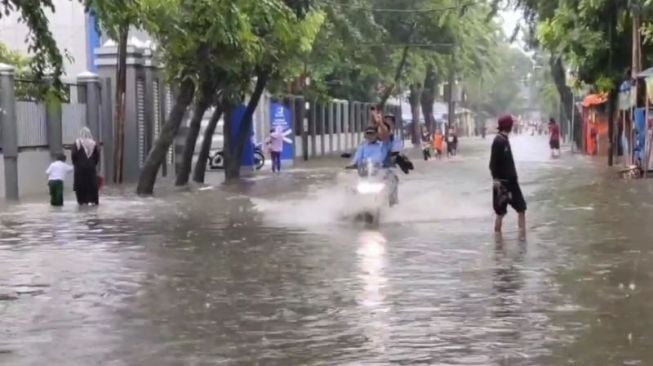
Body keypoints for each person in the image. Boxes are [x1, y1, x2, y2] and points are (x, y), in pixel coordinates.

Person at [489, 115, 526, 238]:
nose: (513, 126)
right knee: (500, 212)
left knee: (521, 208)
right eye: (512, 124)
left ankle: (521, 237)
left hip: (512, 183)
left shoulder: (505, 140)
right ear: (508, 126)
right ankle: (498, 239)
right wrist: (496, 180)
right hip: (503, 183)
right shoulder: (498, 141)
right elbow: (492, 164)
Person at [71, 127, 100, 205]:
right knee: (92, 184)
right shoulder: (93, 143)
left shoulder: (77, 143)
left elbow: (73, 155)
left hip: (79, 168)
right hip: (91, 168)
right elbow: (97, 157)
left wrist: (76, 164)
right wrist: (93, 164)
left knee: (80, 184)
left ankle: (82, 202)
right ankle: (93, 201)